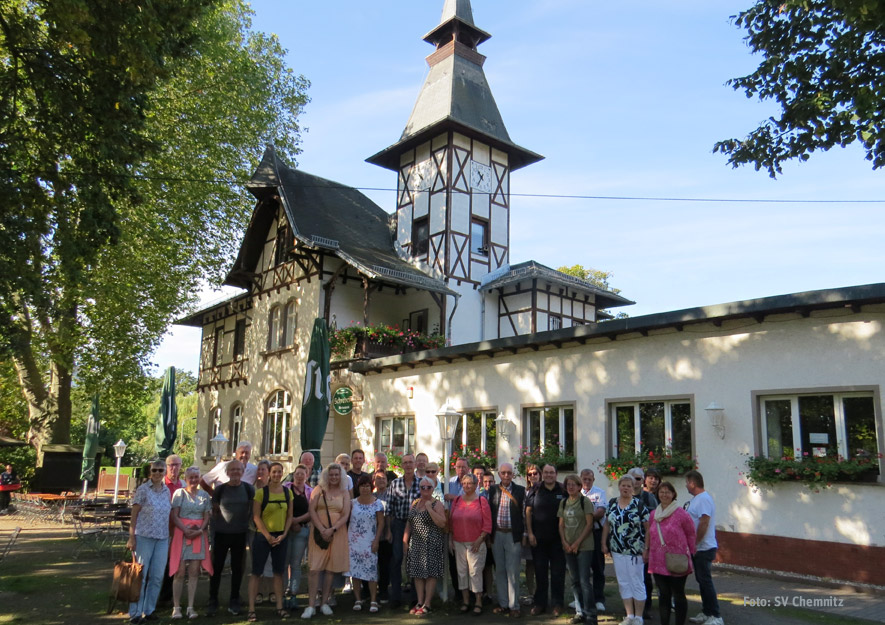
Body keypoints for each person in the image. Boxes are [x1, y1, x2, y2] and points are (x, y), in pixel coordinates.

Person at [127, 460, 173, 624]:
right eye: (155, 470)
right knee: (141, 576)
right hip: (144, 537)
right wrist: (132, 536)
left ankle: (149, 609)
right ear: (150, 472)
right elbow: (134, 513)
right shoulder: (143, 490)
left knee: (157, 576)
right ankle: (135, 612)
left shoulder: (167, 491)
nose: (158, 473)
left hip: (162, 538)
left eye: (161, 470)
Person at [207, 460, 255, 617]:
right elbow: (213, 511)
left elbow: (253, 510)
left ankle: (234, 599)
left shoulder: (248, 489)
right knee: (217, 568)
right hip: (221, 534)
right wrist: (212, 534)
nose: (235, 472)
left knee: (237, 569)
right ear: (227, 473)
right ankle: (213, 600)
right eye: (232, 470)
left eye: (238, 469)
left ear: (243, 472)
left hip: (240, 534)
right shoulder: (220, 490)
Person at [303, 463, 351, 619]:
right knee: (314, 569)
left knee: (330, 569)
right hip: (318, 533)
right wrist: (322, 529)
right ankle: (310, 605)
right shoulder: (319, 490)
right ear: (326, 475)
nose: (334, 477)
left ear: (341, 476)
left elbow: (345, 514)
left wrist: (333, 529)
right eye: (331, 475)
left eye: (337, 475)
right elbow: (312, 510)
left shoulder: (344, 492)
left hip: (337, 533)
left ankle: (324, 602)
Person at [602, 476, 650, 625]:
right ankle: (629, 615)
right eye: (623, 485)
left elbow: (648, 529)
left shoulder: (640, 505)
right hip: (617, 550)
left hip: (635, 551)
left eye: (629, 486)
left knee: (637, 582)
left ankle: (639, 617)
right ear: (619, 487)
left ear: (633, 488)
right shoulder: (612, 504)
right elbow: (607, 525)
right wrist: (603, 542)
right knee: (623, 582)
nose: (626, 488)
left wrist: (646, 549)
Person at [645, 482, 696, 625]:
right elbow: (650, 533)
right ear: (657, 494)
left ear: (673, 494)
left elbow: (691, 534)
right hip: (658, 560)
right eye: (661, 492)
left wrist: (691, 554)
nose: (664, 494)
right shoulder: (654, 514)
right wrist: (646, 550)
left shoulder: (681, 514)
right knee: (663, 595)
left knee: (678, 594)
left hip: (677, 560)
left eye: (668, 492)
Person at [248, 462, 293, 621]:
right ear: (269, 473)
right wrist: (267, 536)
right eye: (273, 472)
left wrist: (284, 534)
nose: (276, 475)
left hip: (281, 536)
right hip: (262, 537)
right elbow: (256, 516)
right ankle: (252, 609)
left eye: (279, 472)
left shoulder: (288, 493)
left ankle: (279, 607)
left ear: (282, 473)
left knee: (278, 573)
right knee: (256, 573)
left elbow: (289, 517)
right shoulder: (260, 493)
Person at [169, 466, 212, 619]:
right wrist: (185, 530)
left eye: (196, 477)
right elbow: (175, 515)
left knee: (194, 571)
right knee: (180, 572)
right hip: (182, 534)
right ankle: (176, 607)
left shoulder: (205, 495)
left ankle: (191, 606)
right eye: (191, 477)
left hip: (198, 535)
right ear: (186, 479)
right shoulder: (179, 493)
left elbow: (207, 515)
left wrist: (200, 530)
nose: (193, 480)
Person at [525, 464, 567, 617]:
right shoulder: (535, 490)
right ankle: (540, 604)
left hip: (558, 540)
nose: (549, 475)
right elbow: (528, 512)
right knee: (540, 573)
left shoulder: (563, 490)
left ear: (556, 474)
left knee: (558, 573)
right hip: (539, 540)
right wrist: (530, 533)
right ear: (543, 474)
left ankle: (557, 604)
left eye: (552, 472)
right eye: (546, 472)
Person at [404, 476, 447, 615]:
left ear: (433, 489)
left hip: (431, 543)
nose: (425, 490)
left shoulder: (437, 504)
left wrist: (430, 509)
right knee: (417, 574)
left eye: (428, 487)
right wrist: (405, 540)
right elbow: (409, 523)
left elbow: (442, 523)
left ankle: (427, 604)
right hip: (416, 543)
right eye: (423, 487)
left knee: (430, 575)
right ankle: (419, 601)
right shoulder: (415, 503)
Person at [450, 473, 492, 614]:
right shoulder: (456, 501)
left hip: (476, 543)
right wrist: (451, 539)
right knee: (461, 573)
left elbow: (487, 524)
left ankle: (478, 601)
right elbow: (451, 522)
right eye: (464, 483)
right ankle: (466, 601)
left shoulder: (481, 501)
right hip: (459, 542)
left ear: (475, 485)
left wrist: (479, 540)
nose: (467, 485)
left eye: (470, 483)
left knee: (475, 573)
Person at [685, 471, 723, 625]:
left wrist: (695, 543)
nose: (686, 486)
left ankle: (716, 615)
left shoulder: (703, 499)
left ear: (693, 483)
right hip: (698, 548)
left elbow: (704, 522)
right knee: (701, 580)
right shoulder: (696, 499)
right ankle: (706, 612)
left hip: (704, 548)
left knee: (705, 581)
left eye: (687, 483)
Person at [488, 462, 525, 618]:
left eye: (509, 473)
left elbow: (525, 514)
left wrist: (525, 535)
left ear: (513, 474)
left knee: (513, 571)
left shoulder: (521, 491)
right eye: (503, 473)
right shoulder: (492, 490)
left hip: (513, 535)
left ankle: (514, 605)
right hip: (497, 535)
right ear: (499, 475)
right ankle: (503, 603)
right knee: (500, 570)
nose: (506, 475)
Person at [558, 474, 596, 625]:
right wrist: (565, 543)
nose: (571, 487)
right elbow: (561, 525)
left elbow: (589, 524)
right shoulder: (563, 503)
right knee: (574, 581)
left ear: (580, 486)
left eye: (574, 484)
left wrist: (577, 543)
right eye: (568, 484)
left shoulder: (584, 501)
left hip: (584, 547)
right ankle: (580, 612)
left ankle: (591, 615)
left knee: (584, 581)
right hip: (568, 547)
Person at [386, 453, 419, 608]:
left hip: (417, 526)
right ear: (401, 465)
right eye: (405, 462)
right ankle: (396, 597)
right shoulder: (395, 484)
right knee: (397, 559)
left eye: (410, 462)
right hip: (398, 524)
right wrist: (388, 530)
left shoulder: (421, 483)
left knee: (414, 560)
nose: (408, 465)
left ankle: (415, 596)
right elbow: (389, 509)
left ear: (415, 464)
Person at [348, 474, 384, 613]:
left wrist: (376, 540)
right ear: (358, 487)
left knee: (371, 572)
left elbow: (381, 523)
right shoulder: (352, 503)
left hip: (370, 541)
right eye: (362, 486)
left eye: (367, 486)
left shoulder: (377, 503)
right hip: (353, 541)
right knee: (355, 572)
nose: (365, 489)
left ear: (371, 487)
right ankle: (358, 599)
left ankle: (373, 600)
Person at [159, 455, 187, 604]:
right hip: (161, 528)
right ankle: (155, 594)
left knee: (172, 563)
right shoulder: (161, 484)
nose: (174, 468)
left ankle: (166, 596)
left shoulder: (183, 484)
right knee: (159, 562)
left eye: (177, 465)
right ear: (166, 466)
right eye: (171, 465)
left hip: (177, 530)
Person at [580, 469, 608, 613]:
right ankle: (582, 599)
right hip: (579, 534)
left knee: (598, 568)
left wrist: (585, 518)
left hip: (596, 533)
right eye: (584, 479)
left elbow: (601, 512)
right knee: (582, 568)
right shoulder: (576, 493)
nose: (587, 482)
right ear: (580, 479)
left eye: (589, 479)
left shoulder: (600, 493)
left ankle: (599, 599)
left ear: (593, 479)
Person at [286, 464, 312, 602]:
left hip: (301, 530)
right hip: (285, 530)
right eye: (297, 473)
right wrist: (290, 522)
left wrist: (296, 521)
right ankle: (284, 590)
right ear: (293, 474)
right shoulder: (285, 488)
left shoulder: (310, 491)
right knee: (285, 563)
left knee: (296, 563)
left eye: (303, 474)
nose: (300, 476)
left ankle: (294, 591)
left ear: (306, 476)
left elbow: (311, 512)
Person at [641, 468, 662, 619]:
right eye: (650, 477)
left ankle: (665, 603)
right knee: (645, 575)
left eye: (656, 478)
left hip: (659, 540)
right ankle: (646, 605)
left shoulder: (663, 494)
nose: (653, 480)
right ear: (645, 479)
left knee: (661, 574)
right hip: (644, 540)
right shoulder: (640, 495)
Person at [520, 464, 541, 606]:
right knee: (529, 564)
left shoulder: (545, 490)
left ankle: (541, 593)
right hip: (528, 532)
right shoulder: (524, 492)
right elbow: (523, 513)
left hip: (543, 532)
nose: (533, 476)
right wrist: (526, 532)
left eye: (535, 473)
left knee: (541, 564)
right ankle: (531, 593)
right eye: (530, 474)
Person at [372, 469, 393, 603]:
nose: (381, 481)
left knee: (385, 564)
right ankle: (370, 590)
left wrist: (389, 531)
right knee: (372, 563)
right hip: (371, 534)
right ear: (374, 481)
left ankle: (384, 590)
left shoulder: (391, 495)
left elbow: (391, 514)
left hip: (385, 534)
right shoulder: (371, 495)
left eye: (383, 478)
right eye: (378, 478)